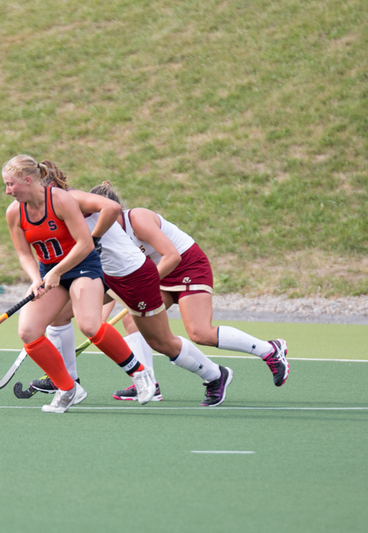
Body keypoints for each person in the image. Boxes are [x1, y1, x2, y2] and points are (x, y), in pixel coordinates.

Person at [29, 164, 234, 407]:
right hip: (105, 275)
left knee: (162, 342)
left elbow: (111, 208)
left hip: (134, 275)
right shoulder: (42, 212)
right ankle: (69, 383)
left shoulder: (71, 199)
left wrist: (93, 239)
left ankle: (215, 374)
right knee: (59, 315)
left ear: (46, 186)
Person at [88, 182, 289, 401]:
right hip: (157, 274)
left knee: (199, 333)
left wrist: (143, 285)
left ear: (114, 209)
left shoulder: (138, 219)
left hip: (186, 265)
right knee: (133, 320)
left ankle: (269, 349)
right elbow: (113, 283)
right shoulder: (106, 239)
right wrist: (98, 320)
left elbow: (172, 257)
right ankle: (147, 383)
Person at [1, 155, 157, 413]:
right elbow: (24, 253)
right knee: (28, 331)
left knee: (90, 325)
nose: (7, 191)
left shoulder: (61, 200)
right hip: (50, 272)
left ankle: (140, 373)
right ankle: (68, 388)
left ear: (28, 181)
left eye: (11, 185)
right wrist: (35, 279)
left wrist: (58, 271)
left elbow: (85, 244)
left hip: (82, 265)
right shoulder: (14, 213)